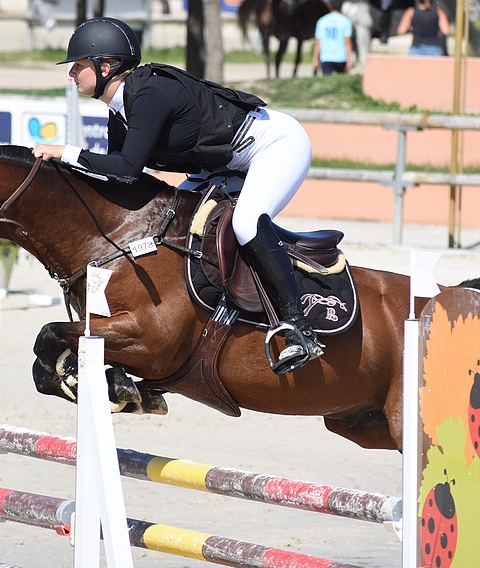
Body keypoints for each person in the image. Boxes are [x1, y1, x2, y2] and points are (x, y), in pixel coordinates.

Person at [32, 17, 324, 375]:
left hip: (272, 146)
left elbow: (125, 168)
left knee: (248, 223)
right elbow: (122, 182)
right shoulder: (118, 112)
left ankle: (297, 328)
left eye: (78, 66)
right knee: (167, 224)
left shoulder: (150, 93)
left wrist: (66, 152)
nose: (71, 75)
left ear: (105, 67)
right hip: (220, 167)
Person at [312, 0, 353, 75]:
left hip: (326, 57)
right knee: (342, 84)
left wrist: (315, 59)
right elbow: (347, 43)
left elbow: (318, 43)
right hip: (341, 57)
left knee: (327, 83)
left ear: (329, 6)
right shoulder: (346, 21)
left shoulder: (321, 21)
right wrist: (350, 59)